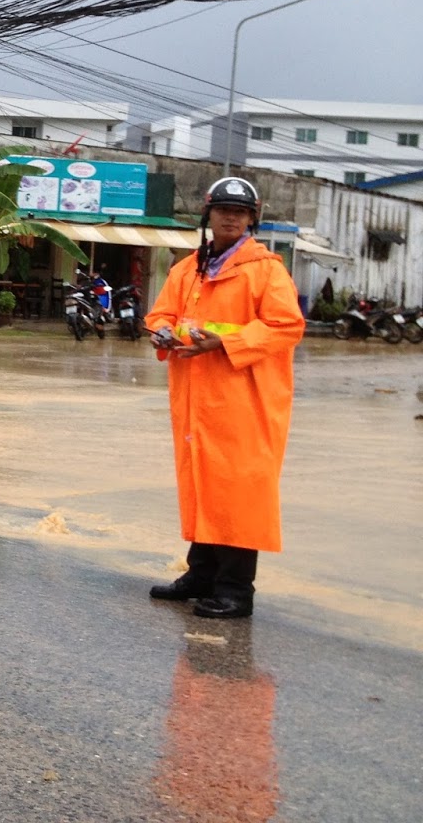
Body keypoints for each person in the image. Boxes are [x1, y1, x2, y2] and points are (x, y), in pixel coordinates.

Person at [145, 176, 305, 619]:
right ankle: (201, 575)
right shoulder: (188, 268)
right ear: (208, 215)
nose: (231, 217)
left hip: (244, 400)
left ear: (252, 219)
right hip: (196, 398)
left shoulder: (267, 269)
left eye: (241, 212)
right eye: (223, 210)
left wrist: (223, 344)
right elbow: (161, 314)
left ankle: (236, 590)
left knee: (239, 492)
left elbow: (286, 326)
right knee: (202, 484)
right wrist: (159, 330)